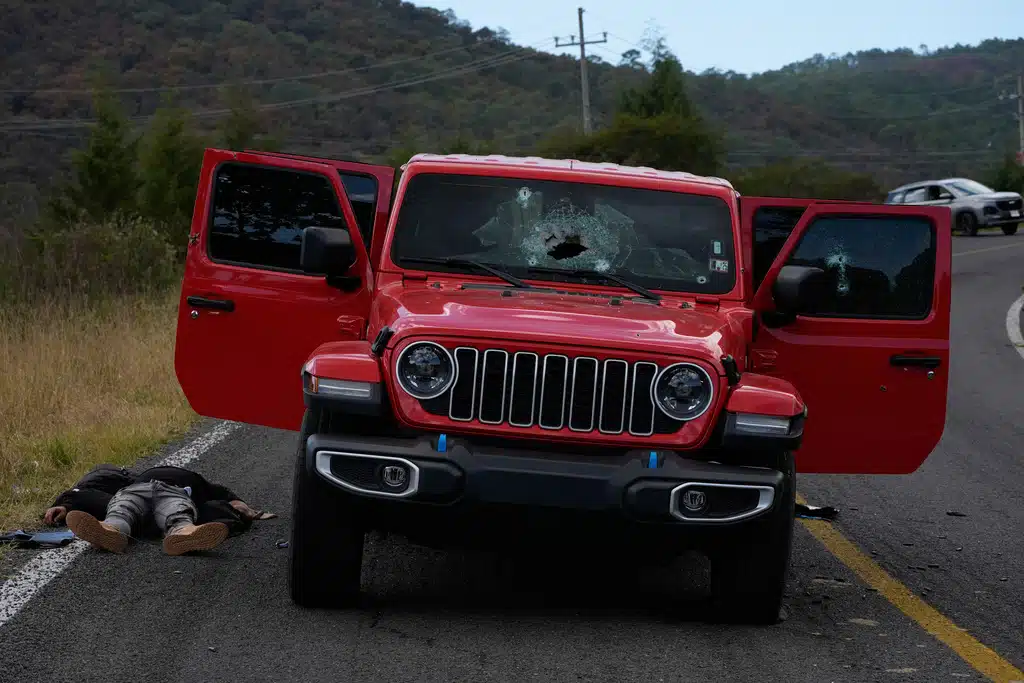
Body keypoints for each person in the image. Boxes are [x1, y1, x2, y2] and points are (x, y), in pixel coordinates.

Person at [43, 463, 273, 556]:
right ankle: (110, 532)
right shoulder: (130, 480)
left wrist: (246, 509)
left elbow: (231, 501)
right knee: (121, 509)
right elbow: (91, 491)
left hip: (173, 493)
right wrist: (64, 506)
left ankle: (185, 534)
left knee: (172, 512)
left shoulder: (204, 486)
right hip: (137, 491)